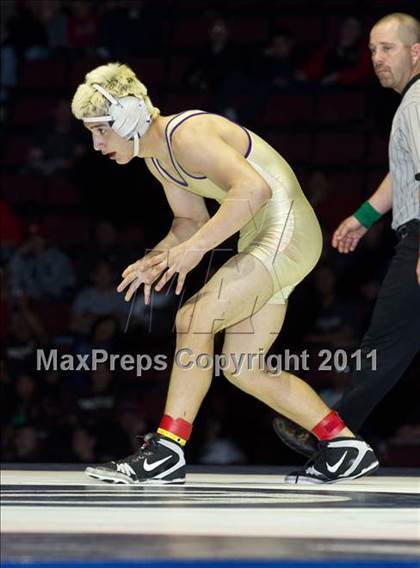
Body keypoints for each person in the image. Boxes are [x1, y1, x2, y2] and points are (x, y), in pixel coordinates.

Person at [71, 62, 379, 485]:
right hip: (266, 237)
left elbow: (255, 190)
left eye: (101, 129)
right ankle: (344, 446)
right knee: (242, 366)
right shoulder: (158, 158)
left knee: (193, 318)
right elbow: (189, 222)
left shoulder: (188, 135)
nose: (96, 143)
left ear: (128, 115)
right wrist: (159, 258)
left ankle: (167, 450)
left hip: (282, 229)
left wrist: (194, 252)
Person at [273, 13, 420, 458]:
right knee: (390, 345)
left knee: (386, 343)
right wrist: (363, 217)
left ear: (416, 52)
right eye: (372, 50)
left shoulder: (416, 103)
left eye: (388, 48)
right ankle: (333, 435)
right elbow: (404, 176)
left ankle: (332, 436)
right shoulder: (411, 103)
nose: (377, 58)